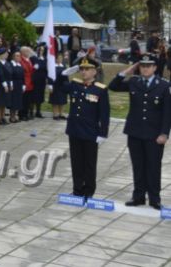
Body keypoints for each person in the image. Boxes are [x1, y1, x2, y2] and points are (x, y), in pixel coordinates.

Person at [108, 54, 171, 209]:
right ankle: (138, 197)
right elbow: (113, 86)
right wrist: (128, 71)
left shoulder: (164, 85)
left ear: (155, 68)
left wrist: (164, 133)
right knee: (138, 165)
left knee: (153, 166)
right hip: (135, 132)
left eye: (148, 66)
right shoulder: (134, 81)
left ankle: (154, 199)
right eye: (142, 65)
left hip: (154, 134)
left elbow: (167, 112)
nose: (145, 68)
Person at [63, 57, 110, 200]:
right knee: (76, 162)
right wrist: (64, 74)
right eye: (81, 69)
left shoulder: (100, 90)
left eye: (87, 69)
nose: (83, 72)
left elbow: (104, 114)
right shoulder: (75, 85)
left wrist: (103, 133)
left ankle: (89, 191)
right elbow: (59, 86)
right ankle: (77, 190)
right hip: (74, 130)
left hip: (90, 132)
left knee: (89, 163)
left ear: (94, 71)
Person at [48, 53, 68, 120]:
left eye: (61, 58)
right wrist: (50, 85)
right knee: (55, 100)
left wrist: (67, 84)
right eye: (58, 58)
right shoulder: (52, 66)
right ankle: (55, 114)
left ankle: (61, 114)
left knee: (62, 100)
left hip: (62, 85)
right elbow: (50, 76)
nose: (60, 59)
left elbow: (66, 76)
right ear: (55, 59)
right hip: (55, 85)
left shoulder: (64, 66)